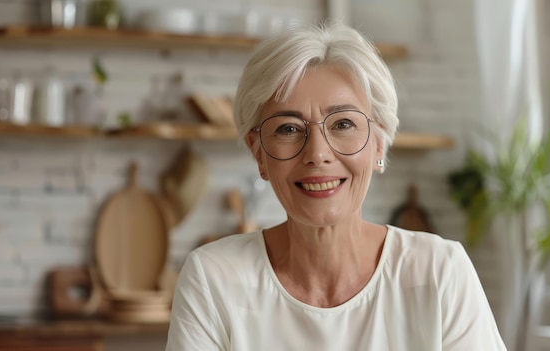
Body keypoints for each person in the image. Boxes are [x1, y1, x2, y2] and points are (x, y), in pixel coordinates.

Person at [165, 22, 506, 351]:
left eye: (343, 123)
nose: (317, 154)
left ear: (378, 144)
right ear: (259, 154)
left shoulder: (440, 272)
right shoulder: (213, 279)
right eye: (288, 128)